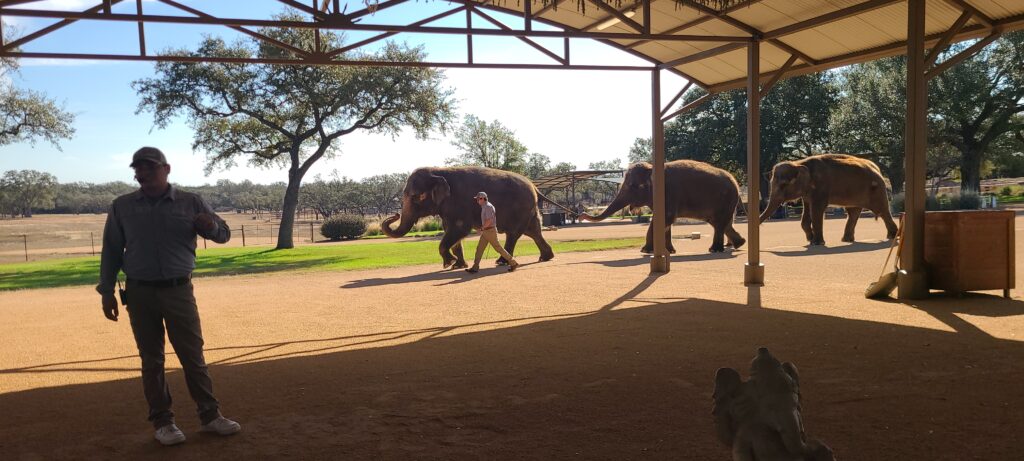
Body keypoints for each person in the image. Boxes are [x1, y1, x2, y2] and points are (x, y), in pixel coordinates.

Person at [97, 147, 240, 446]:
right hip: (139, 292)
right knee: (152, 359)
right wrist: (106, 291)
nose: (143, 172)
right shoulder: (121, 206)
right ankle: (163, 422)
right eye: (138, 167)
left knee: (192, 355)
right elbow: (111, 249)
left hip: (179, 290)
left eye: (150, 166)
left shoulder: (191, 201)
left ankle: (210, 416)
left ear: (167, 168)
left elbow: (224, 234)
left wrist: (210, 227)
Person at [466, 191, 519, 274]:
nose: (477, 201)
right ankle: (475, 267)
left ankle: (513, 263)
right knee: (479, 249)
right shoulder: (485, 206)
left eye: (478, 199)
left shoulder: (488, 207)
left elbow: (489, 220)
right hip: (487, 231)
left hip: (490, 231)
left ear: (483, 198)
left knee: (498, 248)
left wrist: (482, 228)